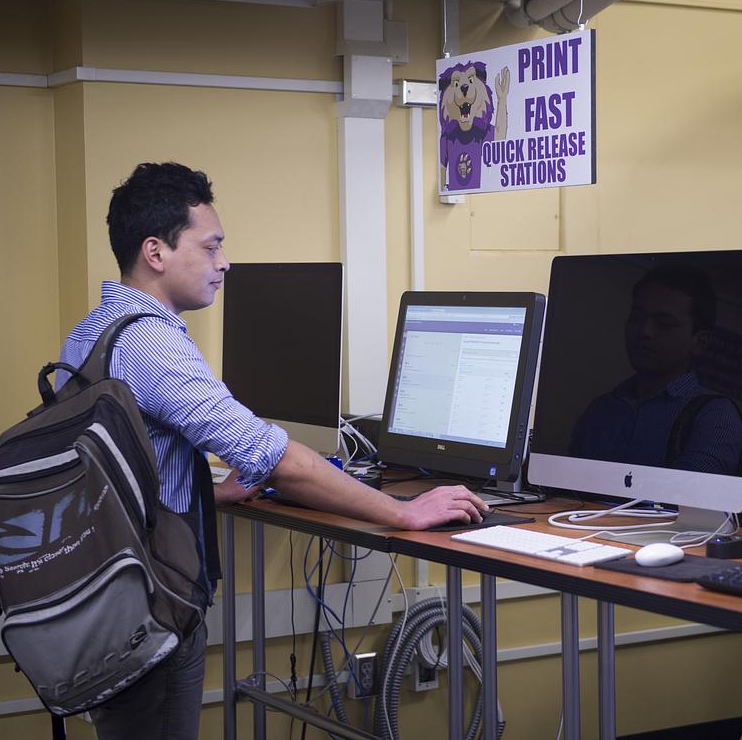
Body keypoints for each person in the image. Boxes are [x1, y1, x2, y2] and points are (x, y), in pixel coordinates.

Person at [57, 162, 487, 739]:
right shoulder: (148, 342)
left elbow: (115, 473)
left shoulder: (93, 332)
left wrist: (209, 490)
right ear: (155, 252)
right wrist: (405, 513)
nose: (224, 263)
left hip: (104, 600)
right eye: (211, 247)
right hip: (150, 611)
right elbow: (275, 457)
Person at [569, 264, 742, 473]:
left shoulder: (714, 414)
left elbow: (688, 496)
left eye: (664, 323)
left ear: (700, 342)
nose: (645, 331)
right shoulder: (602, 408)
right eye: (637, 318)